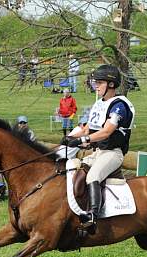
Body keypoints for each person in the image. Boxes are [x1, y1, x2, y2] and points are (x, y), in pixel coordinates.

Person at [62, 64, 135, 231]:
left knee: (92, 176)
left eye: (99, 83)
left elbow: (106, 132)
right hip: (97, 152)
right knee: (73, 168)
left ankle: (93, 217)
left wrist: (84, 139)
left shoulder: (119, 106)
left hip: (112, 154)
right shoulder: (98, 104)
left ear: (110, 84)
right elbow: (87, 128)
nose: (96, 86)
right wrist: (71, 138)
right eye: (95, 83)